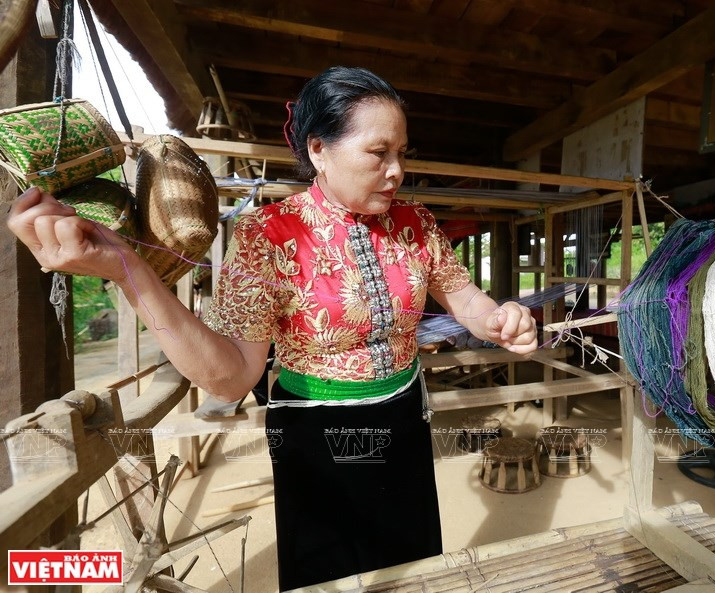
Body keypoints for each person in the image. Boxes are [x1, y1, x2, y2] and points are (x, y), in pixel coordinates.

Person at [6, 66, 537, 589]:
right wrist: (130, 270)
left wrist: (496, 318)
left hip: (403, 413)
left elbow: (462, 294)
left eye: (402, 153)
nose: (396, 170)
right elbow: (233, 376)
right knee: (330, 570)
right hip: (315, 431)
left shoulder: (415, 224)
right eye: (379, 153)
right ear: (318, 151)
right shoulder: (268, 235)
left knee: (411, 556)